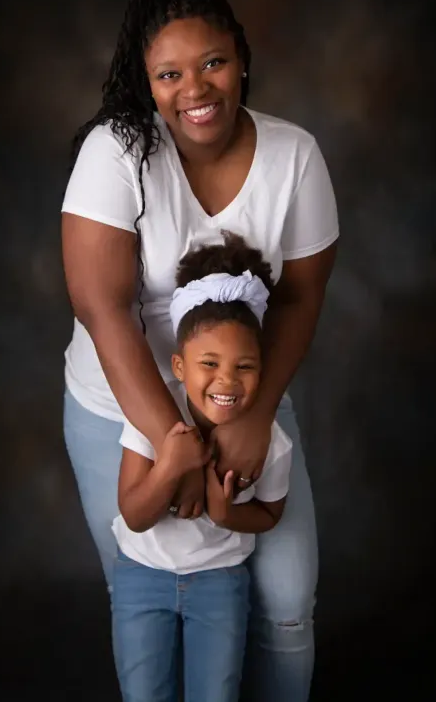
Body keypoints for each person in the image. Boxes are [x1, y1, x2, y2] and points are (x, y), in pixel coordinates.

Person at [62, 0, 339, 702]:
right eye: (169, 73)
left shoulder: (294, 157)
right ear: (146, 82)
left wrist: (251, 413)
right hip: (121, 413)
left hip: (244, 398)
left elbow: (300, 297)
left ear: (242, 58)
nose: (195, 90)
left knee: (283, 605)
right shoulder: (116, 154)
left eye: (212, 62)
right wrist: (172, 442)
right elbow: (102, 309)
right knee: (154, 601)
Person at [112, 233, 293, 702]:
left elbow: (271, 513)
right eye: (208, 363)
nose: (227, 381)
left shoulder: (270, 441)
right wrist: (170, 465)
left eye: (246, 367)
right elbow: (134, 514)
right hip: (142, 575)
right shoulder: (153, 420)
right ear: (179, 365)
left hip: (220, 581)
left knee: (215, 694)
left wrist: (227, 513)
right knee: (144, 693)